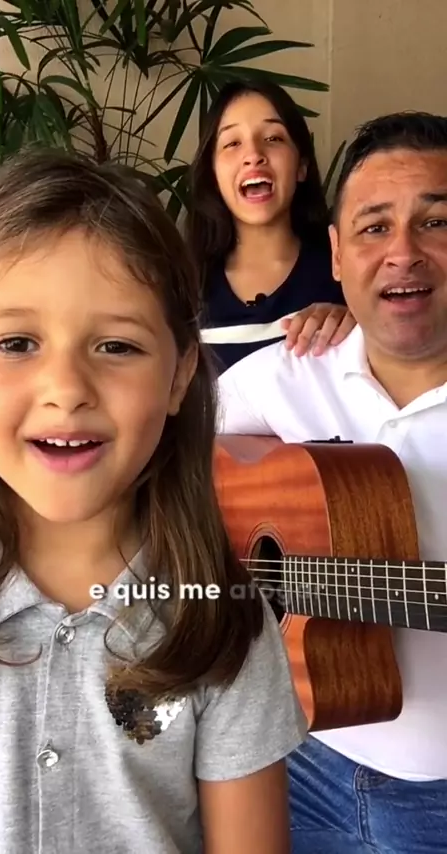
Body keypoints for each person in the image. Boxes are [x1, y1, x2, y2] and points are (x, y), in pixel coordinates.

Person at [0, 148, 305, 854]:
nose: (67, 389)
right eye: (16, 342)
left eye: (117, 347)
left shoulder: (222, 624)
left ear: (180, 376)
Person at [217, 111, 447, 853]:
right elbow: (164, 496)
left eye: (436, 222)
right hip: (292, 758)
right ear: (338, 255)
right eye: (375, 228)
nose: (403, 252)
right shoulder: (274, 378)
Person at [185, 80, 356, 373]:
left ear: (302, 166)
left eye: (273, 138)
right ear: (212, 173)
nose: (253, 155)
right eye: (232, 143)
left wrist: (358, 328)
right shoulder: (181, 284)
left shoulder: (347, 272)